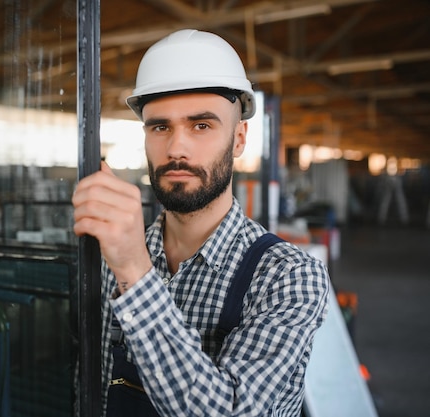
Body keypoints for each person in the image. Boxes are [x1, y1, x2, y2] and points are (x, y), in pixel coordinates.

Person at [72, 29, 330, 417]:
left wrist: (135, 273)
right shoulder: (109, 261)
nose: (176, 148)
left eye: (201, 126)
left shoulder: (288, 276)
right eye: (160, 127)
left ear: (239, 139)